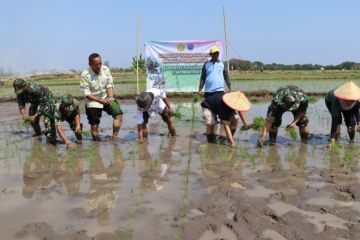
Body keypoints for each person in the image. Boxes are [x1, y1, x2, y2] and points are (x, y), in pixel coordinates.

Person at [80, 53, 123, 141]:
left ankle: (114, 138)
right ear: (90, 64)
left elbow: (109, 84)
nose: (99, 65)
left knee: (118, 114)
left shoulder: (105, 69)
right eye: (96, 64)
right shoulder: (85, 75)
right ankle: (96, 143)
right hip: (93, 101)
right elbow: (87, 94)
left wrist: (110, 96)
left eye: (100, 63)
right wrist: (100, 101)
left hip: (106, 97)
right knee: (94, 124)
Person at [325, 81, 360, 146]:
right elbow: (334, 120)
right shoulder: (336, 100)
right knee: (337, 121)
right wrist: (332, 139)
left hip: (344, 104)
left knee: (351, 123)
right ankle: (336, 139)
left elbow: (356, 111)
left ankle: (351, 141)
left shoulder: (355, 99)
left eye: (351, 101)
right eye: (348, 101)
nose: (350, 102)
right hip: (330, 101)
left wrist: (358, 123)